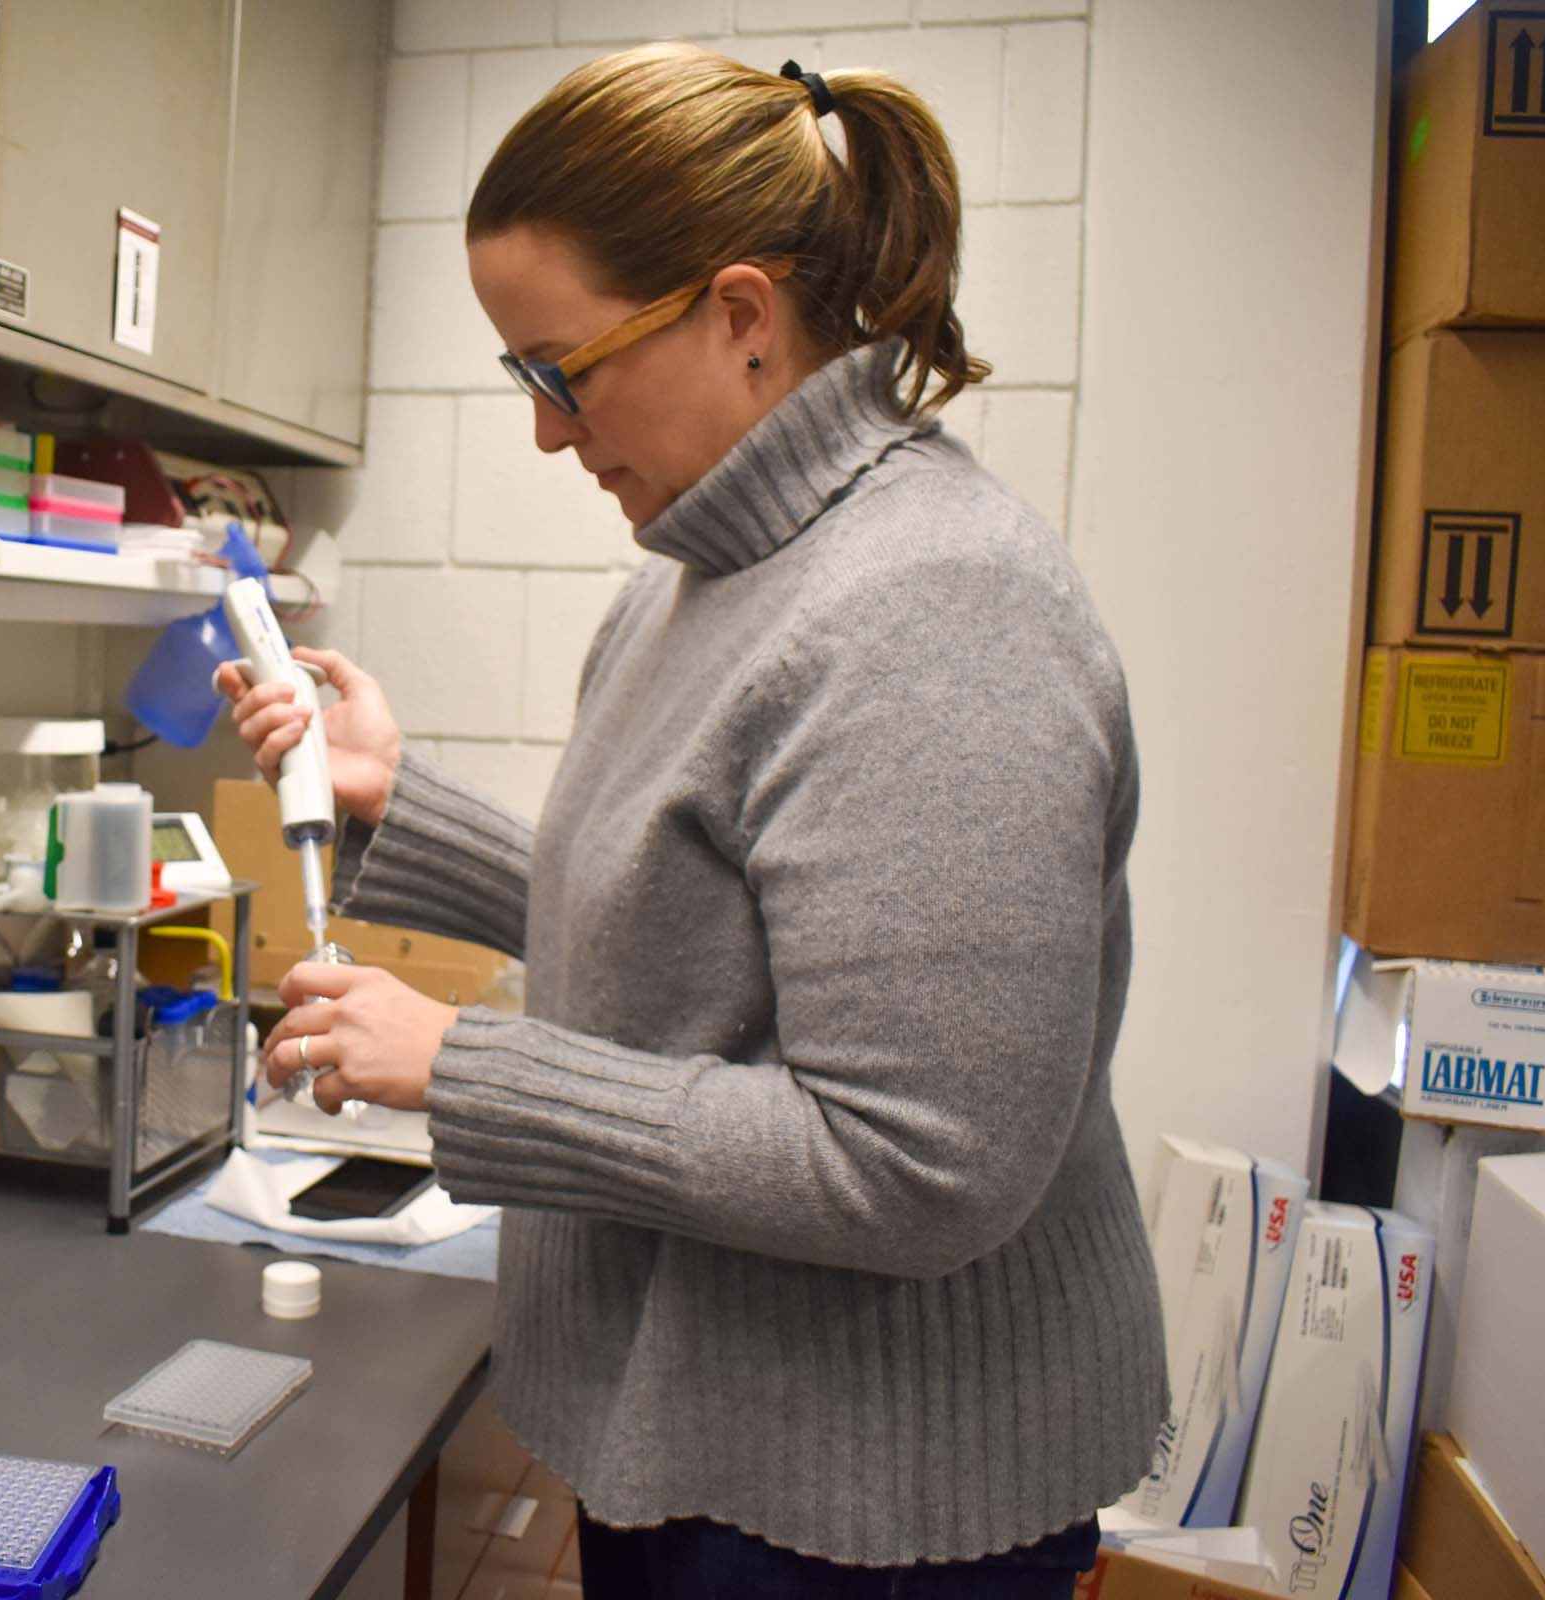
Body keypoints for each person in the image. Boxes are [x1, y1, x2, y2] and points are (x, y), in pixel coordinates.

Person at [220, 43, 1168, 1599]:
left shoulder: (936, 611)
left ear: (739, 313)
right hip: (707, 1437)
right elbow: (706, 935)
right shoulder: (697, 575)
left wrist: (468, 1067)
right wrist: (401, 804)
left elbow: (917, 1161)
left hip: (870, 1501)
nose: (545, 429)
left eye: (561, 368)